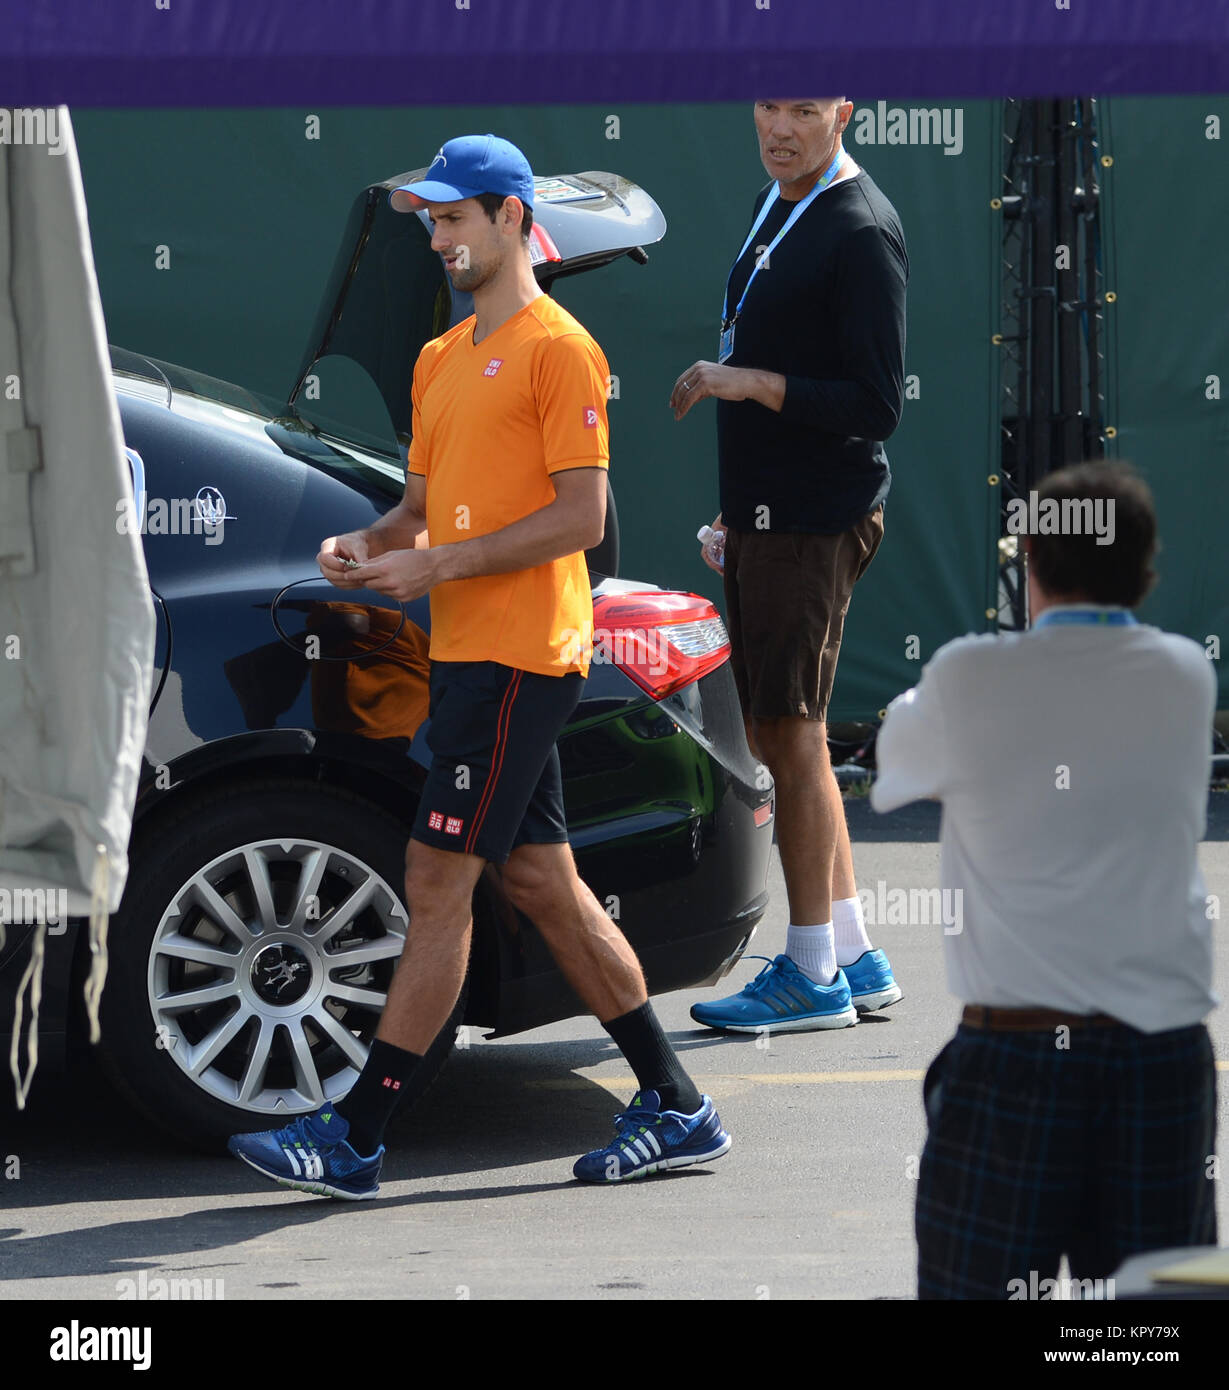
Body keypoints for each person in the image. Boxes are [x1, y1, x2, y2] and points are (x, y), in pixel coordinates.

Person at [228, 134, 729, 1197]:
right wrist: (369, 546)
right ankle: (677, 1102)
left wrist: (438, 562)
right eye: (429, 221)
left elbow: (580, 516)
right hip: (463, 657)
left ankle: (355, 1135)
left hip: (519, 661)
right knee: (545, 882)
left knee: (434, 880)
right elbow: (418, 503)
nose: (439, 237)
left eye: (454, 218)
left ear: (511, 219)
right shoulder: (437, 360)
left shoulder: (561, 349)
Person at [871, 462, 1219, 1299]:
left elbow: (891, 769)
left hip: (1012, 1058)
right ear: (1144, 571)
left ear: (1027, 560)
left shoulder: (966, 675)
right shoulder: (1185, 674)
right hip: (1160, 1057)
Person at [672, 98, 908, 1032]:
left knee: (790, 735)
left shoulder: (860, 229)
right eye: (767, 104)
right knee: (788, 734)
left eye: (803, 108)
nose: (779, 125)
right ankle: (853, 956)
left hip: (815, 521)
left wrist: (745, 385)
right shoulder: (784, 201)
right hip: (774, 515)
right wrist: (743, 504)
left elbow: (875, 402)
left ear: (843, 112)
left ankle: (809, 974)